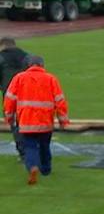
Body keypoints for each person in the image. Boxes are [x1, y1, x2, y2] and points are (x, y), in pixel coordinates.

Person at [3, 56, 69, 185]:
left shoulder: (19, 78)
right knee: (45, 146)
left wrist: (9, 118)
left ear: (29, 65)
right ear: (42, 65)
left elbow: (9, 100)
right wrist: (63, 121)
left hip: (26, 121)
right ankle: (46, 169)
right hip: (45, 122)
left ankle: (32, 167)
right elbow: (60, 101)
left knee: (30, 146)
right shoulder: (51, 79)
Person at [0, 37, 31, 161]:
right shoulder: (28, 56)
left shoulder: (1, 58)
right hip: (29, 95)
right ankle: (34, 149)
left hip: (10, 95)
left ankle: (23, 152)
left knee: (15, 125)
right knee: (29, 123)